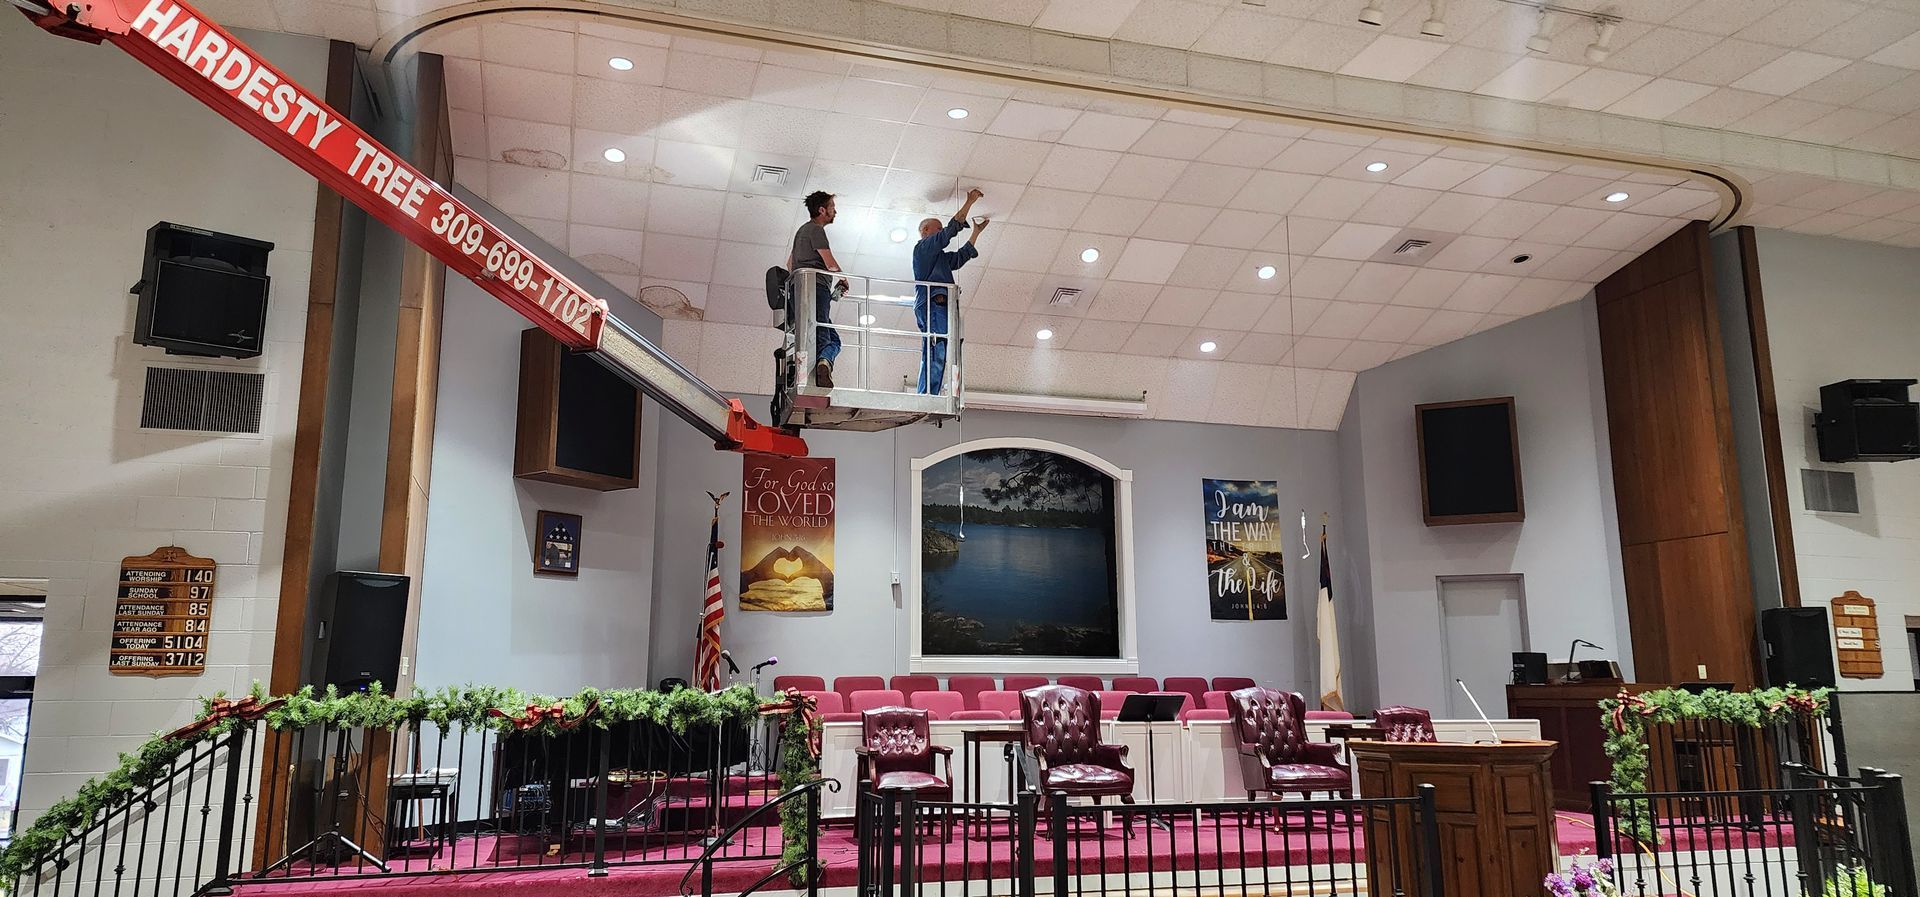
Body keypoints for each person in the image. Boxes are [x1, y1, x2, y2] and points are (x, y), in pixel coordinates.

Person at [912, 188, 987, 395]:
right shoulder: (922, 249)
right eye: (936, 229)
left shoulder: (940, 258)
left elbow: (961, 257)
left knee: (941, 350)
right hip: (933, 304)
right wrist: (969, 202)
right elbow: (946, 235)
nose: (939, 232)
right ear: (925, 231)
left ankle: (930, 393)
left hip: (941, 306)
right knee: (936, 349)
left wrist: (975, 233)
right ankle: (927, 394)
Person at [788, 190, 846, 388]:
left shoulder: (801, 232)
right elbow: (829, 263)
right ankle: (823, 365)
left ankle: (819, 365)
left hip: (801, 288)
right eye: (832, 207)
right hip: (816, 287)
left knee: (823, 336)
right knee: (825, 336)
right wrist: (844, 278)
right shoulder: (816, 230)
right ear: (822, 210)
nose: (835, 212)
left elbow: (790, 264)